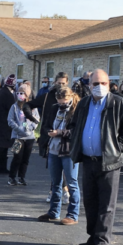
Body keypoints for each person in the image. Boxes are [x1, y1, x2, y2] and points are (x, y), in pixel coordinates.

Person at [67, 69, 123, 245]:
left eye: (103, 83)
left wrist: (118, 148)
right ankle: (92, 236)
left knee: (106, 203)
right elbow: (74, 125)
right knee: (90, 201)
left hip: (109, 162)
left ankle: (102, 239)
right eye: (95, 84)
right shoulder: (84, 104)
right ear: (89, 85)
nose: (99, 87)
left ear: (109, 84)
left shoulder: (119, 103)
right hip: (88, 160)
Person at [36, 85, 81, 225]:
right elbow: (45, 125)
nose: (62, 105)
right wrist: (49, 131)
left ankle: (73, 215)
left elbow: (77, 131)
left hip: (68, 151)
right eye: (60, 102)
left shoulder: (77, 110)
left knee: (72, 183)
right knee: (56, 183)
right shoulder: (54, 108)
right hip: (54, 149)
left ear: (70, 98)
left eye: (64, 102)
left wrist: (60, 133)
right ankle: (54, 212)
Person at [7, 83, 39, 186]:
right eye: (18, 93)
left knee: (25, 158)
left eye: (23, 93)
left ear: (27, 95)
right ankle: (12, 177)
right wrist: (19, 129)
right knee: (17, 157)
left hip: (29, 137)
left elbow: (36, 119)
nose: (20, 95)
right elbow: (10, 120)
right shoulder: (14, 107)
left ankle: (22, 177)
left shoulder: (33, 107)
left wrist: (31, 128)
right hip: (17, 136)